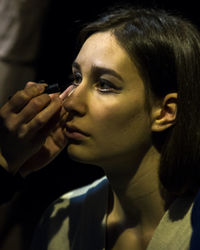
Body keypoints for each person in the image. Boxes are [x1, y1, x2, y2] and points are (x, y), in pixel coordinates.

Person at [1, 5, 200, 250]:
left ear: (166, 112)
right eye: (76, 78)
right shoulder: (62, 221)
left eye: (104, 84)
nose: (71, 102)